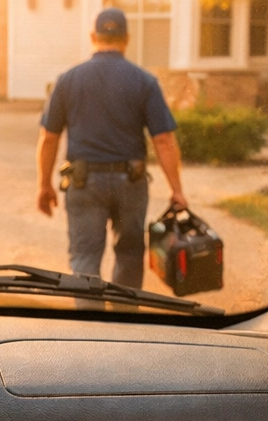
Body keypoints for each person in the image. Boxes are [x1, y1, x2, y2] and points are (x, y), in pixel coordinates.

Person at [36, 7, 188, 289]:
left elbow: (49, 137)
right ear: (126, 39)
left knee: (84, 259)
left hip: (84, 183)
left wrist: (44, 185)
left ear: (93, 36)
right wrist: (176, 189)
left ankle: (88, 325)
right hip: (130, 182)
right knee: (129, 254)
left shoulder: (68, 80)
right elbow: (164, 140)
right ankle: (124, 324)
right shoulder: (144, 81)